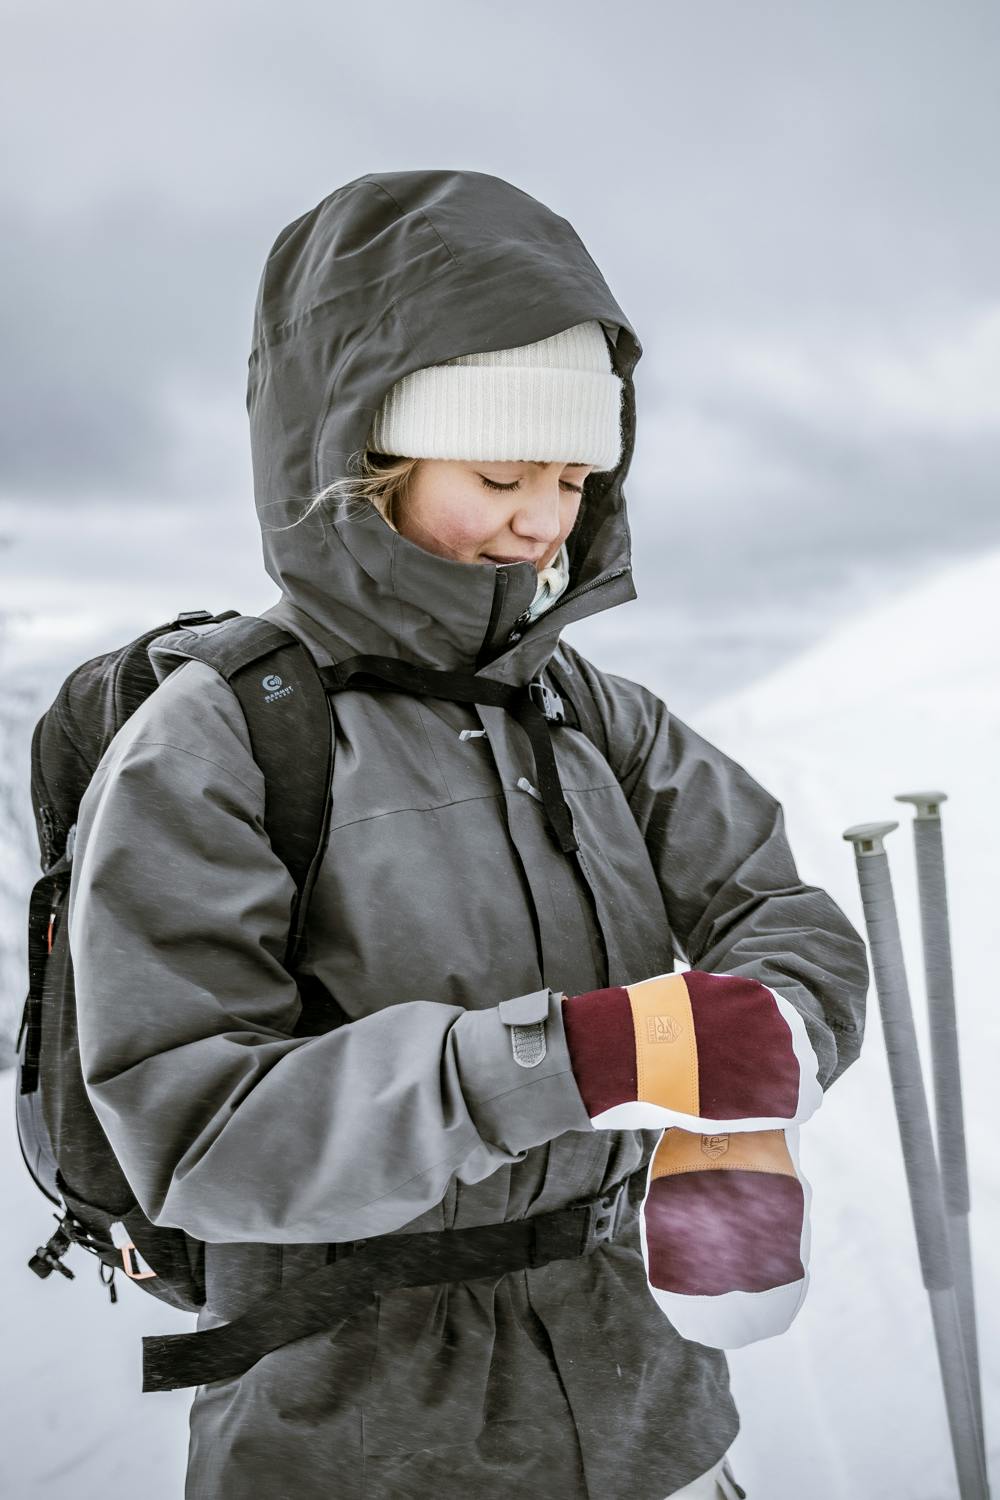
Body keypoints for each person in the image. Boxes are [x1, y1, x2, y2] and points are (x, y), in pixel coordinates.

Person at [66, 170, 868, 1500]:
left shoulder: (593, 714)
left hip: (648, 1415)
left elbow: (776, 911)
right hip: (354, 1436)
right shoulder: (218, 745)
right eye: (500, 473)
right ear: (355, 460)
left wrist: (750, 1069)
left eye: (571, 478)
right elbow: (197, 1125)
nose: (544, 521)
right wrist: (573, 1058)